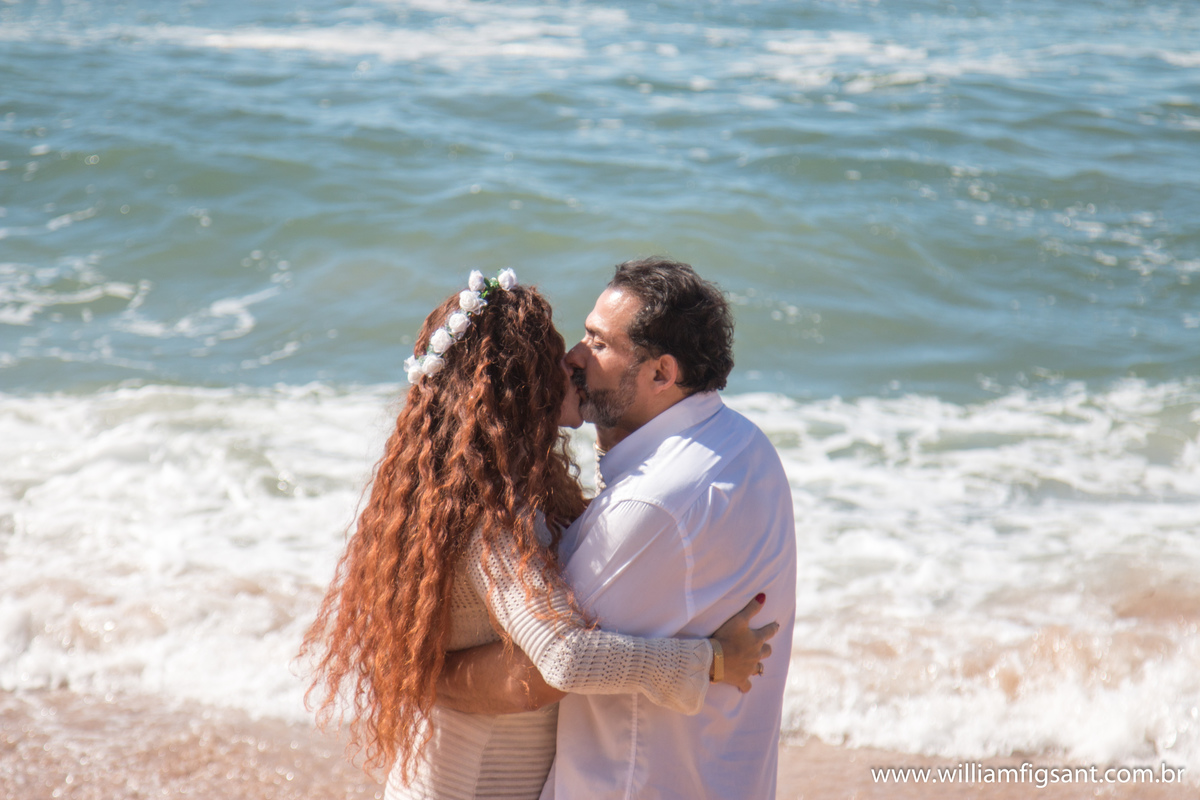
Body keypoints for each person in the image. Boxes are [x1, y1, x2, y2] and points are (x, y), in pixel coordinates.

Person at [300, 269, 778, 800]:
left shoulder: (502, 487)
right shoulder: (492, 522)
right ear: (523, 388)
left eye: (591, 342)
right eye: (557, 354)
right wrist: (710, 661)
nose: (574, 359)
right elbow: (565, 658)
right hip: (469, 784)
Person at [438, 258, 797, 799]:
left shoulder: (652, 504)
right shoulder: (744, 445)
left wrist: (425, 677)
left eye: (599, 343)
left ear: (661, 374)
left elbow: (549, 667)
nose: (573, 358)